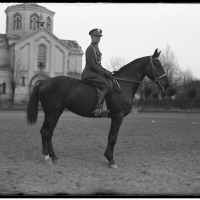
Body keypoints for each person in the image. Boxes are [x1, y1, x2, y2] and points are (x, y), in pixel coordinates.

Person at [81, 28, 113, 117]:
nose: (98, 38)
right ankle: (97, 109)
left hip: (94, 72)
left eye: (99, 36)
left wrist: (106, 72)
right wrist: (104, 72)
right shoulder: (91, 49)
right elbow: (92, 65)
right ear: (92, 37)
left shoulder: (96, 48)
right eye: (96, 36)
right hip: (89, 73)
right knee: (106, 85)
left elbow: (98, 65)